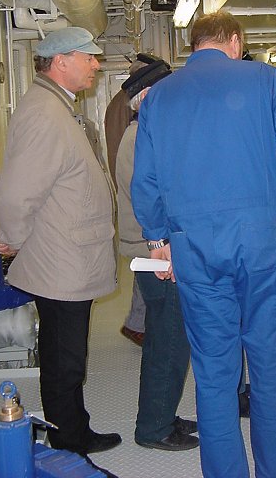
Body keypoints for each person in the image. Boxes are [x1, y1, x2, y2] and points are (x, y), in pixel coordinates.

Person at [130, 11, 276, 478]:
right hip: (262, 250)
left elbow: (145, 178)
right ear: (235, 41)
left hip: (195, 252)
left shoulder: (159, 96)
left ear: (194, 45)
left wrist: (157, 238)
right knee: (273, 370)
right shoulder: (265, 80)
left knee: (214, 375)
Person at [0, 27, 121, 478]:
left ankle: (76, 430)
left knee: (70, 354)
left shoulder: (57, 106)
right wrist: (14, 238)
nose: (96, 64)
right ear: (61, 61)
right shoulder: (45, 114)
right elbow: (16, 192)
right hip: (60, 260)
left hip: (70, 256)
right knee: (64, 360)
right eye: (89, 57)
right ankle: (67, 445)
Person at [116, 59, 199, 451]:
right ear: (148, 96)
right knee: (168, 341)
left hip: (157, 250)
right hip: (157, 254)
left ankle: (162, 414)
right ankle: (154, 428)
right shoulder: (139, 138)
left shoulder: (144, 133)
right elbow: (154, 200)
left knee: (166, 338)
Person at [105, 53, 160, 346]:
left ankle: (137, 323)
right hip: (141, 215)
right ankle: (139, 326)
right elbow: (143, 182)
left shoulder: (121, 107)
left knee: (146, 273)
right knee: (149, 270)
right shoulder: (135, 130)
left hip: (135, 206)